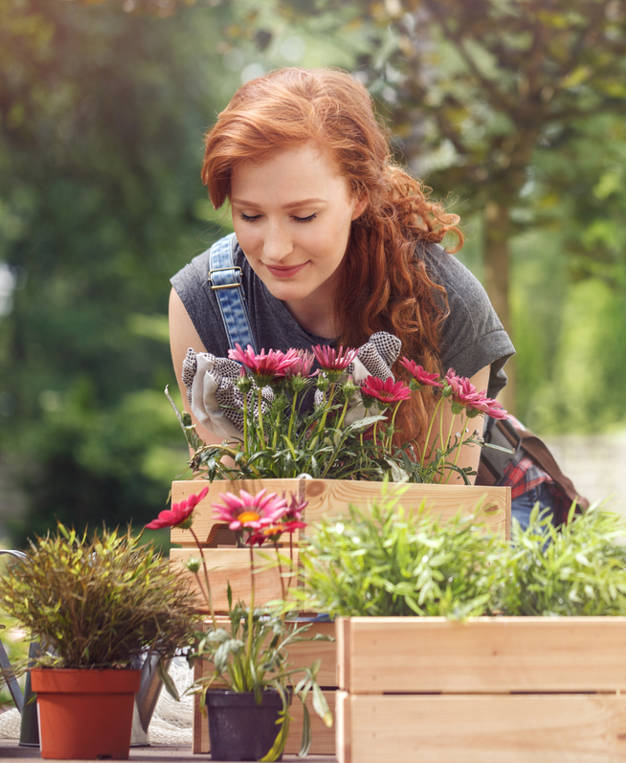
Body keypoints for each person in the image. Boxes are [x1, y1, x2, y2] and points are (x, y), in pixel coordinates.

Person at [168, 66, 514, 491]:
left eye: (304, 216)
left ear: (358, 195)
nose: (275, 249)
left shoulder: (446, 302)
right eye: (250, 215)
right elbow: (222, 519)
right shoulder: (204, 299)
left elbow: (440, 520)